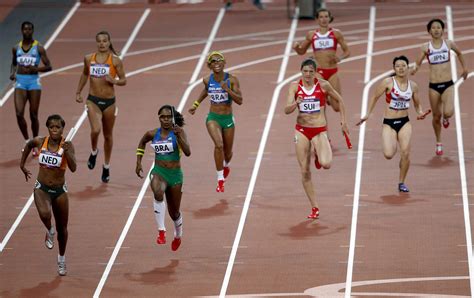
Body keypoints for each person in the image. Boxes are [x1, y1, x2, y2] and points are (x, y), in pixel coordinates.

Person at [285, 58, 349, 219]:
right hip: (302, 130)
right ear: (301, 71)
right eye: (305, 71)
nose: (307, 74)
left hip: (319, 130)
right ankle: (315, 207)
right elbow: (286, 110)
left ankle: (318, 156)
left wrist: (343, 121)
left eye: (310, 71)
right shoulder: (294, 87)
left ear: (315, 72)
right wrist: (295, 103)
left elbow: (340, 100)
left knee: (326, 164)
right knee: (305, 171)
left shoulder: (323, 85)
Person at [357, 56, 430, 193]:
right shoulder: (387, 82)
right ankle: (393, 144)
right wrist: (367, 114)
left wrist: (420, 113)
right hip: (389, 123)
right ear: (394, 68)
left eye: (403, 65)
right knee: (389, 154)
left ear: (407, 68)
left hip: (404, 122)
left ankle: (401, 182)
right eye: (398, 66)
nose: (401, 68)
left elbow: (417, 104)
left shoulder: (413, 86)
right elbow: (374, 97)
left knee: (406, 153)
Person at [19, 114, 76, 276]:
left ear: (62, 129)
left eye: (58, 127)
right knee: (45, 213)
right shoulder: (40, 141)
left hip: (59, 191)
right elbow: (29, 145)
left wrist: (67, 153)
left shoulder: (68, 145)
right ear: (48, 128)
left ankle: (61, 259)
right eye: (52, 127)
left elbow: (73, 168)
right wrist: (22, 165)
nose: (54, 130)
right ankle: (49, 230)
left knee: (63, 229)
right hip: (42, 188)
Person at [135, 105, 191, 251]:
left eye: (168, 117)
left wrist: (179, 136)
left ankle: (178, 236)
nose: (166, 120)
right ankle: (161, 231)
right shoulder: (152, 134)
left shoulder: (178, 132)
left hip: (175, 175)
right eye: (162, 117)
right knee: (157, 191)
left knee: (174, 213)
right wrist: (138, 161)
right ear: (159, 118)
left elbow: (188, 152)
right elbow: (142, 142)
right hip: (159, 171)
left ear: (172, 118)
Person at [411, 18, 468, 156]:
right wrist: (415, 68)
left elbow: (460, 53)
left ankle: (446, 118)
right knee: (436, 116)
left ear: (443, 30)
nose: (436, 29)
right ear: (429, 31)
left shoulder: (449, 44)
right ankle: (439, 142)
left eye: (438, 27)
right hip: (434, 86)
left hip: (448, 84)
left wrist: (465, 68)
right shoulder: (425, 47)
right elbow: (417, 63)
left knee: (447, 112)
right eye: (433, 28)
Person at [75, 31, 127, 183]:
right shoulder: (88, 59)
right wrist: (78, 92)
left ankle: (106, 166)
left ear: (109, 42)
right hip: (93, 100)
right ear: (96, 43)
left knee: (108, 135)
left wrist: (114, 81)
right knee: (95, 130)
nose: (102, 43)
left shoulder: (116, 61)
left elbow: (124, 80)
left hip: (110, 102)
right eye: (99, 41)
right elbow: (85, 74)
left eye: (105, 41)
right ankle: (93, 151)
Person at [188, 51, 243, 193]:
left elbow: (240, 101)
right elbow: (206, 90)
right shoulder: (207, 80)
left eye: (219, 61)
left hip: (228, 118)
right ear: (210, 65)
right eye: (213, 61)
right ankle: (220, 180)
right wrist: (195, 104)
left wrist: (227, 90)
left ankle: (226, 165)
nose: (216, 63)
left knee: (228, 152)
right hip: (213, 118)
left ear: (224, 63)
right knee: (219, 145)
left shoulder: (232, 80)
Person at [292, 8, 350, 113]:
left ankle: (327, 96)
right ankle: (322, 127)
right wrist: (296, 48)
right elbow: (302, 51)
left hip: (332, 71)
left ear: (330, 18)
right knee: (319, 105)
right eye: (321, 17)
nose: (324, 19)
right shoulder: (312, 34)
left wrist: (340, 58)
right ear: (317, 19)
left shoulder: (336, 33)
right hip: (318, 72)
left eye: (326, 17)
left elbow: (347, 52)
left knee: (337, 107)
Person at [10, 21, 52, 155]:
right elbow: (13, 63)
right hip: (20, 82)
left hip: (34, 82)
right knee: (18, 113)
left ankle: (35, 142)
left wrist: (37, 69)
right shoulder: (16, 48)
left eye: (29, 29)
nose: (27, 31)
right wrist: (12, 73)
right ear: (21, 31)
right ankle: (27, 140)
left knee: (33, 114)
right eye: (25, 29)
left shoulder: (39, 47)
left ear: (32, 31)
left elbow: (49, 66)